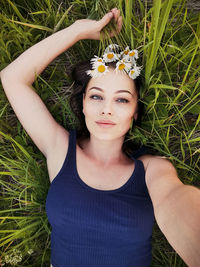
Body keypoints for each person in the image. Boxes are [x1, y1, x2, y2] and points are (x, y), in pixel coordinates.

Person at [0, 7, 200, 267]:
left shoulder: (152, 169)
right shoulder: (61, 149)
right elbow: (12, 78)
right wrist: (77, 31)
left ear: (135, 113)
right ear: (83, 104)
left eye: (121, 99)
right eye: (96, 96)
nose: (106, 108)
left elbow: (177, 202)